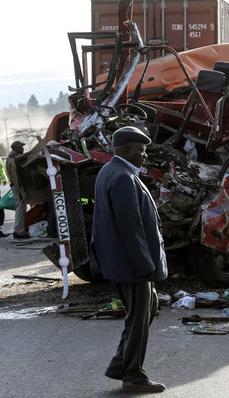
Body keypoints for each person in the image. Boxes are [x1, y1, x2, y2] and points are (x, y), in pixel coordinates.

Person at [90, 126, 167, 393]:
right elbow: (130, 227)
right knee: (139, 316)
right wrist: (145, 265)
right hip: (131, 264)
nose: (145, 155)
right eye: (141, 150)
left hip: (121, 262)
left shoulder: (110, 171)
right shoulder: (123, 177)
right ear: (124, 150)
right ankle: (132, 374)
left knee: (148, 306)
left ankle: (120, 364)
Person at [6, 141, 30, 240]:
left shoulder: (11, 157)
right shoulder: (14, 160)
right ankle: (19, 232)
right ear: (16, 148)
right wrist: (20, 190)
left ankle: (19, 230)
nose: (23, 149)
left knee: (20, 208)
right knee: (20, 209)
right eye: (21, 147)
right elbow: (16, 177)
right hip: (17, 187)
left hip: (16, 186)